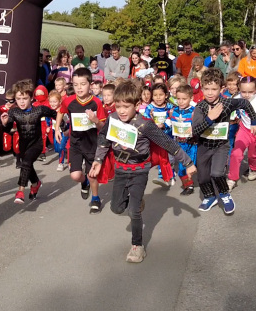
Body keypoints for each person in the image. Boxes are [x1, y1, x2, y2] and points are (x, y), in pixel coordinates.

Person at [89, 79, 196, 263]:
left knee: (133, 212)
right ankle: (136, 203)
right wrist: (98, 160)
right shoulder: (113, 119)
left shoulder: (145, 125)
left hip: (139, 170)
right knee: (116, 208)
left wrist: (188, 163)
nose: (121, 111)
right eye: (118, 106)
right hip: (120, 169)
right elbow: (104, 139)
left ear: (137, 105)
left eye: (126, 106)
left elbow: (168, 143)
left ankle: (137, 246)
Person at [192, 69, 256, 214]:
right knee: (202, 177)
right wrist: (210, 118)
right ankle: (210, 197)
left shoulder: (227, 103)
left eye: (214, 89)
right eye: (207, 89)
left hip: (221, 145)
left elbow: (244, 103)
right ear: (202, 88)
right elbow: (195, 130)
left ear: (221, 88)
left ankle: (224, 194)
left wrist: (254, 120)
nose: (210, 93)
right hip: (204, 146)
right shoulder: (200, 108)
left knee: (217, 173)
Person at [55, 67, 106, 212]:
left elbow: (103, 126)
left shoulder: (96, 102)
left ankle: (95, 198)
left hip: (92, 144)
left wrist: (95, 120)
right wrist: (58, 128)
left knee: (92, 174)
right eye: (75, 84)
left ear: (90, 84)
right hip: (75, 143)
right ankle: (84, 183)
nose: (79, 88)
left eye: (82, 84)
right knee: (75, 175)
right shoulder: (69, 101)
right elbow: (61, 111)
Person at [0, 79, 57, 203]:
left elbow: (55, 114)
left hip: (37, 144)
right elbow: (8, 128)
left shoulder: (39, 109)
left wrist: (61, 128)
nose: (21, 102)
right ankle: (35, 183)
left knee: (25, 163)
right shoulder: (14, 111)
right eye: (18, 98)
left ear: (31, 98)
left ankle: (20, 191)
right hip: (22, 144)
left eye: (24, 98)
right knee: (27, 165)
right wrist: (4, 123)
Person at [167, 83, 197, 195]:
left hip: (192, 143)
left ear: (191, 98)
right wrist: (164, 125)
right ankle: (188, 186)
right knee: (182, 168)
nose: (181, 101)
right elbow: (168, 123)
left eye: (184, 99)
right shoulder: (173, 111)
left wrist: (193, 129)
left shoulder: (194, 111)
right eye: (178, 99)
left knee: (194, 163)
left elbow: (200, 126)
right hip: (179, 143)